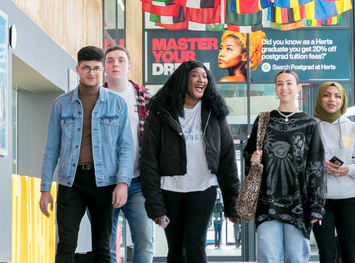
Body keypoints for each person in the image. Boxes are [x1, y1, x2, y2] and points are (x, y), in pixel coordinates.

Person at [39, 46, 134, 262]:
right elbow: (51, 149)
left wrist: (123, 183)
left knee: (102, 247)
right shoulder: (61, 104)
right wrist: (45, 189)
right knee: (66, 244)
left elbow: (127, 147)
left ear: (102, 70)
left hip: (105, 182)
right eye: (86, 68)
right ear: (78, 69)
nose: (91, 73)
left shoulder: (117, 103)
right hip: (70, 182)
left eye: (96, 69)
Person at [140, 61, 240, 263]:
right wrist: (155, 205)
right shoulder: (161, 114)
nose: (201, 80)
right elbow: (149, 161)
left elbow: (227, 159)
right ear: (183, 79)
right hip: (170, 190)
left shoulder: (215, 114)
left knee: (195, 244)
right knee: (176, 249)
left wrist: (232, 203)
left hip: (203, 189)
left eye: (204, 76)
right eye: (195, 75)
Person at [243, 70, 327, 263]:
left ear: (298, 88)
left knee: (296, 258)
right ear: (275, 89)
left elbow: (316, 165)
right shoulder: (264, 120)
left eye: (289, 83)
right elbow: (248, 155)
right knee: (268, 257)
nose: (284, 87)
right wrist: (254, 160)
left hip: (299, 203)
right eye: (280, 83)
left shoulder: (309, 124)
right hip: (267, 202)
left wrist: (317, 205)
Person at [312, 81, 355, 263]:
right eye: (327, 95)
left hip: (350, 201)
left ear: (343, 100)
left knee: (350, 256)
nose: (332, 99)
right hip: (320, 201)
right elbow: (298, 164)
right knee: (327, 256)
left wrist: (348, 169)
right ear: (320, 98)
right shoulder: (309, 129)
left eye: (337, 96)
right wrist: (319, 164)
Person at [103, 45, 154, 263]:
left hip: (138, 182)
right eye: (111, 60)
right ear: (104, 67)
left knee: (145, 240)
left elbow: (154, 139)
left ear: (129, 66)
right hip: (103, 181)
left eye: (121, 60)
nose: (116, 64)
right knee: (106, 243)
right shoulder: (96, 97)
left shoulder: (143, 96)